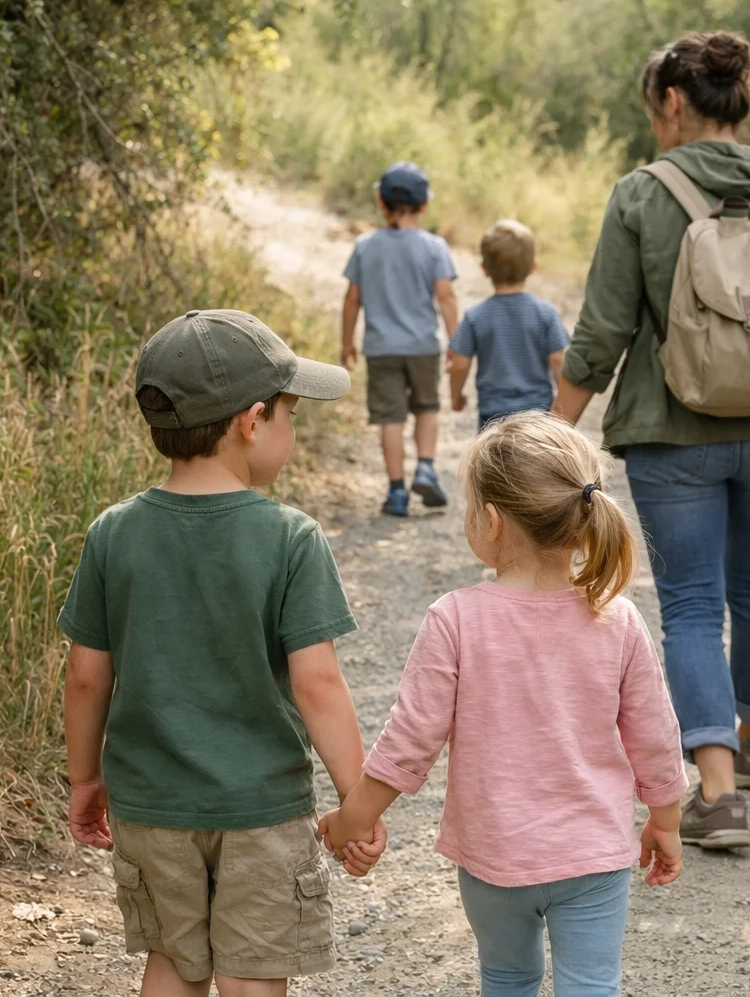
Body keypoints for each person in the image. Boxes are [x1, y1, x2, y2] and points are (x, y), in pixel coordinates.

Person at [551, 30, 750, 850]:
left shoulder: (642, 197)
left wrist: (548, 435)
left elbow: (601, 334)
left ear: (674, 103)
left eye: (654, 109)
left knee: (690, 604)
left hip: (670, 434)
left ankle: (717, 794)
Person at [59, 310, 381, 996]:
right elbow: (318, 685)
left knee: (171, 963)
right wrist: (359, 802)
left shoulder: (112, 534)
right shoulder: (291, 538)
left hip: (152, 807)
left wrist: (85, 779)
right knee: (252, 974)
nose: (292, 432)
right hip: (261, 808)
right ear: (252, 421)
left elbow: (87, 678)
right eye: (292, 415)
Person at [319, 414, 686, 997]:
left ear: (491, 521)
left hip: (494, 854)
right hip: (593, 855)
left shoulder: (456, 618)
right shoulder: (617, 618)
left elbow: (410, 741)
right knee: (592, 983)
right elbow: (656, 735)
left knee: (507, 978)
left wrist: (353, 820)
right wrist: (665, 819)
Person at [339, 161, 460, 517]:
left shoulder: (365, 246)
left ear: (380, 201)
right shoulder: (434, 247)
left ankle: (396, 491)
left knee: (390, 418)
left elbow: (351, 300)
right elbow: (446, 297)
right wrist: (456, 340)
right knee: (427, 408)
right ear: (425, 205)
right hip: (422, 346)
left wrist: (347, 343)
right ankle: (425, 467)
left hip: (380, 349)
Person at [448, 219, 571, 430]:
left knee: (493, 462)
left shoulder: (475, 316)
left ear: (485, 269)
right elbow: (558, 359)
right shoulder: (546, 313)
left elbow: (459, 364)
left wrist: (456, 396)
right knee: (534, 463)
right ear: (533, 267)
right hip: (537, 414)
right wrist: (564, 406)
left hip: (493, 415)